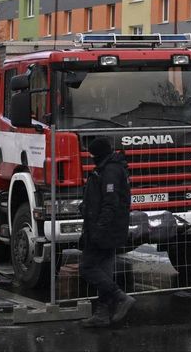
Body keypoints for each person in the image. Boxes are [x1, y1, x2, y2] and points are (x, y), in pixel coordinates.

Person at [80, 136, 135, 328]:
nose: (91, 158)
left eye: (93, 154)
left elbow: (110, 203)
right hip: (105, 228)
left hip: (104, 229)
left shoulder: (110, 170)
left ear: (99, 154)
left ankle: (120, 298)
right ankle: (102, 314)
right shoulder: (108, 167)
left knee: (87, 268)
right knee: (104, 271)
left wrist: (98, 229)